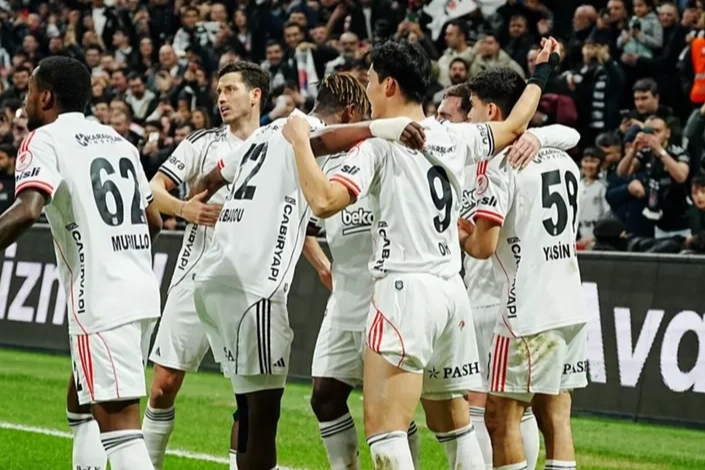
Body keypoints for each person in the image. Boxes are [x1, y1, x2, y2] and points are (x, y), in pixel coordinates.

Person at [281, 38, 561, 468]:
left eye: (371, 80)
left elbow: (323, 202)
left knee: (385, 434)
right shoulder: (454, 135)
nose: (368, 89)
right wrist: (542, 71)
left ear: (389, 85)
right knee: (454, 426)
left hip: (404, 290)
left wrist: (300, 141)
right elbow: (517, 123)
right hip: (451, 293)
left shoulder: (379, 145)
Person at [188, 73, 378, 470]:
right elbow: (329, 141)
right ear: (350, 113)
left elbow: (211, 178)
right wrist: (384, 129)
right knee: (262, 417)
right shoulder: (305, 130)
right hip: (255, 286)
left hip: (214, 278)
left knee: (247, 407)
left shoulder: (264, 133)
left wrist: (194, 203)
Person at [0, 56, 162, 470]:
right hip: (141, 291)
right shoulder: (119, 141)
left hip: (101, 296)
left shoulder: (43, 140)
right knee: (83, 398)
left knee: (119, 427)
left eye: (30, 91)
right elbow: (154, 221)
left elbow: (28, 209)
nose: (26, 100)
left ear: (46, 97)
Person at [451, 68, 581, 470]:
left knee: (500, 418)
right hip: (570, 304)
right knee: (556, 418)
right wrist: (542, 135)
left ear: (491, 111)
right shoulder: (562, 159)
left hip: (524, 311)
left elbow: (483, 247)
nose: (470, 116)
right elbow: (571, 135)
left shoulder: (500, 164)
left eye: (473, 107)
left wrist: (458, 233)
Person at [142, 61, 268, 470]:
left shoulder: (277, 144)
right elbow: (153, 189)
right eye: (219, 91)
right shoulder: (204, 143)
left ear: (255, 95)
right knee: (162, 386)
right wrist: (184, 209)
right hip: (194, 275)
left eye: (231, 89)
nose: (222, 98)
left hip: (248, 284)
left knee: (247, 398)